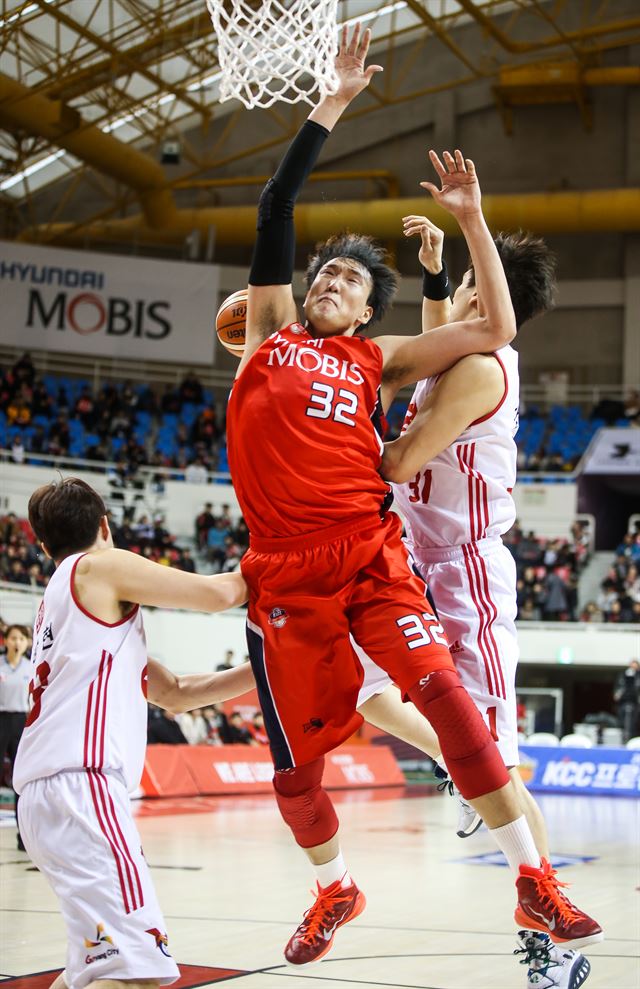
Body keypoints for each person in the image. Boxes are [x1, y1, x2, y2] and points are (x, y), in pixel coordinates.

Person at [226, 23, 601, 968]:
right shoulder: (270, 330)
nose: (334, 280)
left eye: (351, 278)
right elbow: (277, 202)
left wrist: (473, 214)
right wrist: (334, 104)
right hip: (283, 569)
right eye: (328, 271)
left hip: (372, 551)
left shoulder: (380, 359)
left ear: (366, 311)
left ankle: (534, 879)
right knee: (297, 765)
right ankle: (334, 887)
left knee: (449, 699)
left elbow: (496, 329)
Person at [368, 213, 593, 985]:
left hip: (464, 575)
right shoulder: (459, 346)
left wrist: (323, 422)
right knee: (366, 692)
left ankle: (553, 947)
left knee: (504, 774)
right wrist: (433, 270)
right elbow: (433, 344)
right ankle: (455, 761)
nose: (459, 296)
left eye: (464, 282)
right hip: (413, 558)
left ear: (486, 293)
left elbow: (397, 462)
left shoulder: (482, 366)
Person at [12, 476, 252, 989]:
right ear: (104, 525)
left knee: (95, 968)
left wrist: (271, 666)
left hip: (48, 798)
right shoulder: (97, 565)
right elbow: (217, 595)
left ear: (42, 543)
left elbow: (179, 692)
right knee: (141, 974)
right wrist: (296, 559)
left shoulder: (68, 604)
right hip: (82, 788)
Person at [0, 623, 31, 851]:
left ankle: (24, 836)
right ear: (6, 641)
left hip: (21, 722)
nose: (17, 642)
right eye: (13, 638)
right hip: (1, 719)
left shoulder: (31, 668)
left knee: (20, 780)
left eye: (21, 638)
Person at [613, 658, 640, 742]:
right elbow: (617, 689)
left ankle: (631, 739)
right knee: (621, 723)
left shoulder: (638, 677)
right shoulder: (623, 676)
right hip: (623, 703)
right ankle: (622, 740)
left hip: (635, 703)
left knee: (633, 724)